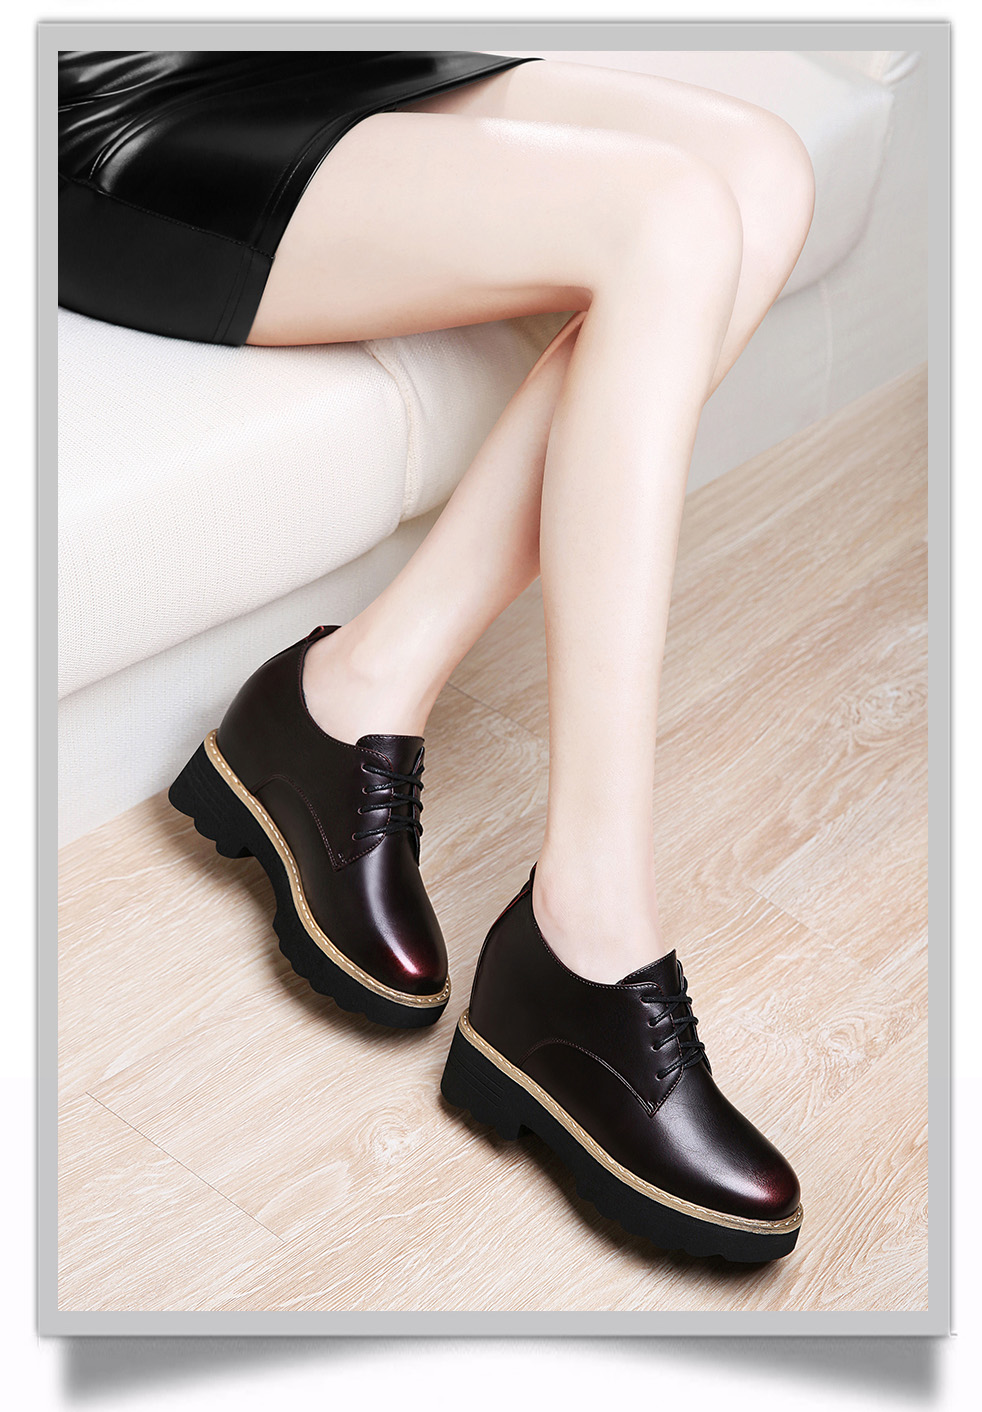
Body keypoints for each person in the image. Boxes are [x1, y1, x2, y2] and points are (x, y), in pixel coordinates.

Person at [60, 49, 816, 1262]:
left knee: (762, 170)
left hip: (332, 59)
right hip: (108, 94)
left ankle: (360, 685)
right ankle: (591, 925)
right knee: (668, 219)